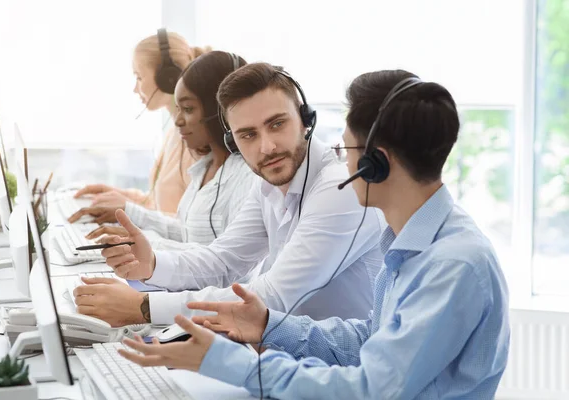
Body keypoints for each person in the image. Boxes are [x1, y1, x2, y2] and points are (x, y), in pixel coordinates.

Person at [117, 70, 511, 399]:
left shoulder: (452, 264)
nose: (342, 157)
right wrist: (267, 324)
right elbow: (368, 341)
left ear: (376, 164)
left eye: (348, 145)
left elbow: (371, 388)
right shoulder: (410, 244)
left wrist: (224, 361)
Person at [91, 63, 385, 327]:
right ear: (233, 142)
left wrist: (145, 307)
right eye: (248, 135)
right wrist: (152, 264)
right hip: (282, 353)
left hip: (337, 368)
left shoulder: (340, 188)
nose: (266, 147)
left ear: (305, 120)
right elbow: (224, 261)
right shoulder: (268, 184)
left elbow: (272, 297)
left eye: (277, 124)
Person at [73, 51, 259, 326]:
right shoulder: (203, 168)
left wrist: (147, 250)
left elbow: (226, 266)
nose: (178, 120)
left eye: (188, 109)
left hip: (202, 311)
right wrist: (132, 220)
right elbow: (186, 231)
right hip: (181, 294)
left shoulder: (246, 178)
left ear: (218, 110)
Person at [70, 29, 206, 222]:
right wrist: (120, 195)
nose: (135, 88)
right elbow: (158, 205)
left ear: (168, 78)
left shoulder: (196, 144)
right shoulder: (174, 133)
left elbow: (191, 227)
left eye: (139, 77)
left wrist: (128, 209)